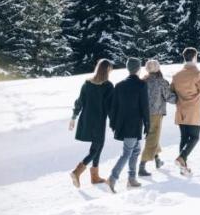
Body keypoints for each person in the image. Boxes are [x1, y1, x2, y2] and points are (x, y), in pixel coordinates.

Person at [107, 57, 151, 192]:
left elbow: (113, 107)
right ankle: (112, 178)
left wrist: (113, 123)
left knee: (136, 150)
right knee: (127, 152)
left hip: (123, 124)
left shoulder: (119, 85)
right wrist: (147, 123)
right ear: (138, 69)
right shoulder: (142, 85)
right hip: (134, 125)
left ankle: (132, 178)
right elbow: (144, 106)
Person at [69, 59, 114, 188]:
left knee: (97, 146)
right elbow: (110, 107)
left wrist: (74, 117)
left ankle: (94, 176)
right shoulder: (108, 86)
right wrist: (114, 123)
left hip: (86, 119)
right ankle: (77, 172)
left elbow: (79, 101)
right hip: (98, 121)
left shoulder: (87, 83)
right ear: (107, 70)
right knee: (96, 148)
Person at [170, 47, 200, 176]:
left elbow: (171, 90)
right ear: (194, 57)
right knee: (194, 137)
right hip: (193, 111)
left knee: (184, 138)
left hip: (181, 110)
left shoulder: (176, 75)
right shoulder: (198, 74)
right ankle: (181, 158)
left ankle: (183, 168)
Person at [138, 59, 175, 179]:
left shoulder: (142, 81)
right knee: (153, 136)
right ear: (158, 68)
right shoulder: (161, 82)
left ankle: (157, 159)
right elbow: (169, 97)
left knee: (152, 134)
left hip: (143, 114)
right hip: (156, 113)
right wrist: (182, 99)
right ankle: (142, 165)